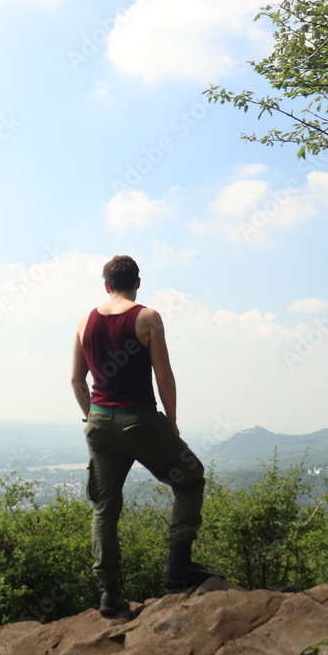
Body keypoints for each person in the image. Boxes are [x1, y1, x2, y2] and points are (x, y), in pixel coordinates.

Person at [71, 255, 222, 617]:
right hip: (139, 419)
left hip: (99, 422)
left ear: (106, 285)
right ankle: (178, 564)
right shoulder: (147, 318)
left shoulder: (84, 321)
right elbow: (164, 376)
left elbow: (77, 380)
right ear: (138, 282)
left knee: (105, 507)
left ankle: (109, 592)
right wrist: (171, 420)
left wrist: (92, 416)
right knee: (190, 478)